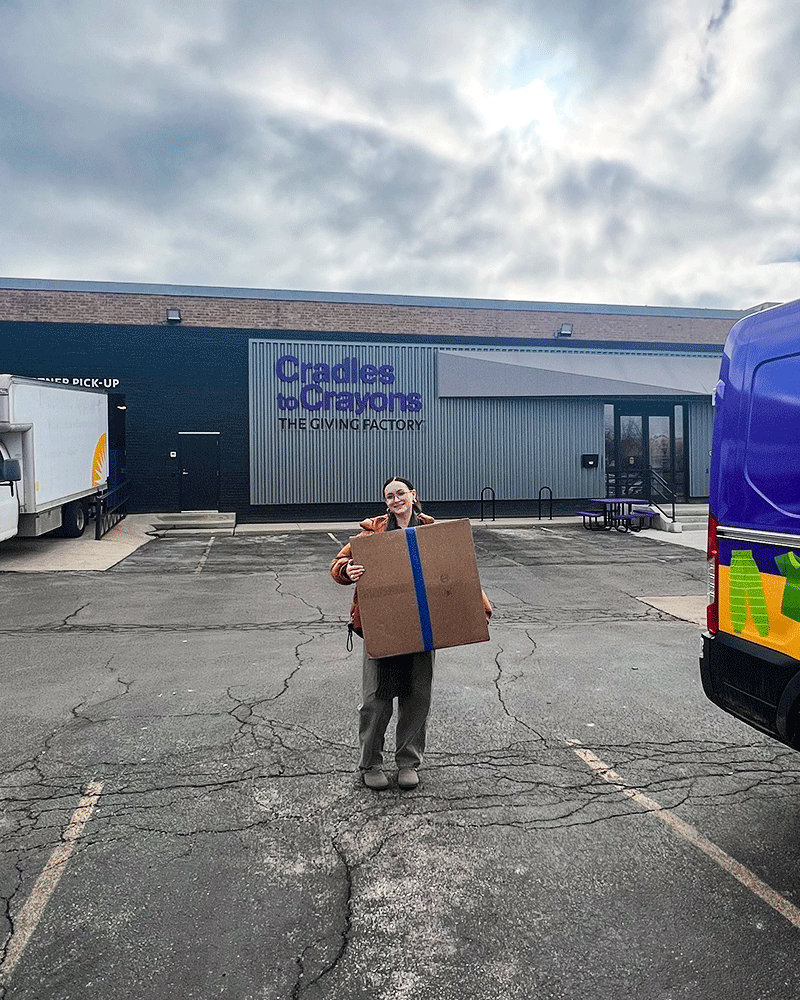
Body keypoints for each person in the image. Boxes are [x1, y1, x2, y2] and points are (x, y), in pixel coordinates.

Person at [330, 476, 491, 791]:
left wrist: (479, 607)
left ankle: (408, 762)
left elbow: (456, 572)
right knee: (375, 700)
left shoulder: (432, 532)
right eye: (389, 496)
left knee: (417, 698)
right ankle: (370, 764)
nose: (395, 500)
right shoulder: (372, 532)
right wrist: (347, 571)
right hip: (382, 628)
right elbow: (338, 564)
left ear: (413, 495)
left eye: (400, 493)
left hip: (422, 627)